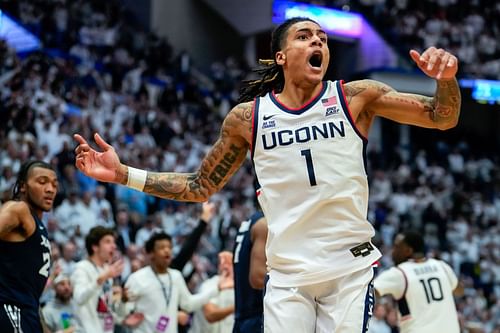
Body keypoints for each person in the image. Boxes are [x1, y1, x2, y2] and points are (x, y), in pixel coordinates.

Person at [73, 16, 461, 332]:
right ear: (280, 56)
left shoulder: (355, 96)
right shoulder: (249, 118)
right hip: (289, 272)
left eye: (323, 39)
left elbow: (442, 117)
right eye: (305, 37)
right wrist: (125, 174)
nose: (318, 44)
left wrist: (445, 80)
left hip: (349, 268)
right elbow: (199, 185)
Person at [124, 232, 233, 333]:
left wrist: (217, 289)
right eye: (162, 248)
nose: (167, 251)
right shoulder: (137, 278)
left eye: (170, 247)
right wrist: (124, 310)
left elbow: (188, 304)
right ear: (151, 253)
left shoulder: (176, 276)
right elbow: (125, 312)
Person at [0, 160, 58, 332]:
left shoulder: (39, 228)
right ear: (23, 187)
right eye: (42, 182)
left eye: (54, 184)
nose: (50, 189)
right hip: (10, 309)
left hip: (28, 314)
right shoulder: (18, 210)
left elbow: (30, 294)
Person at [373, 231, 461, 333]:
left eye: (397, 247)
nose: (393, 251)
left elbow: (369, 291)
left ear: (408, 250)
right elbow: (459, 290)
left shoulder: (400, 273)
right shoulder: (442, 266)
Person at [70, 226, 127, 333]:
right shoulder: (81, 268)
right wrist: (101, 279)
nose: (114, 246)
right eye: (108, 242)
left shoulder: (106, 270)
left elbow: (105, 310)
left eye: (114, 242)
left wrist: (123, 320)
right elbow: (79, 298)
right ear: (95, 247)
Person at [232, 211, 267, 333]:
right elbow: (257, 278)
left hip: (243, 318)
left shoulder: (250, 221)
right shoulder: (264, 224)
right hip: (257, 318)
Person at [189, 251, 235, 333]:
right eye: (222, 262)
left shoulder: (241, 288)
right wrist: (237, 307)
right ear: (218, 266)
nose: (225, 266)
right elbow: (210, 315)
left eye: (229, 263)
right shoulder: (208, 285)